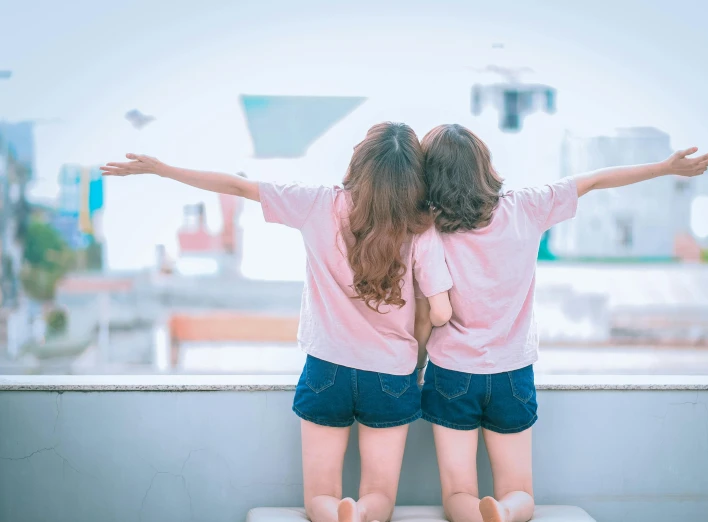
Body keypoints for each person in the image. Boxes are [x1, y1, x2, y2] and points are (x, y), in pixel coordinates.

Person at [101, 122, 453, 522]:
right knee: (379, 496)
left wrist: (164, 169)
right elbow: (431, 314)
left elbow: (237, 187)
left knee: (320, 496)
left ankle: (339, 513)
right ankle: (360, 512)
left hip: (327, 369)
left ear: (361, 164)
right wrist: (418, 364)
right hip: (391, 374)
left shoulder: (319, 205)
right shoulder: (421, 229)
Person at [417, 123, 708, 522]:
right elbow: (594, 180)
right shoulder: (526, 207)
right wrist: (664, 168)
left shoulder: (429, 229)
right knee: (520, 490)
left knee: (457, 492)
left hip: (452, 372)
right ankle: (506, 512)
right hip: (512, 373)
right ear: (482, 165)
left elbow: (426, 311)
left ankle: (474, 513)